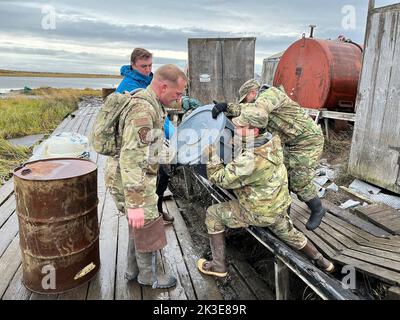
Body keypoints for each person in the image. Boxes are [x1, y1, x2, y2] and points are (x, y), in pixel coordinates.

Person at [197, 111, 334, 278]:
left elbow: (219, 178)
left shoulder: (250, 160)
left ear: (254, 131)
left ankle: (218, 267)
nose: (235, 128)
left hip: (258, 213)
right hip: (278, 206)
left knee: (212, 214)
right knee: (292, 235)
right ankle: (323, 262)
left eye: (240, 127)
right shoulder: (273, 140)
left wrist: (211, 153)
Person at [103, 64, 188, 289]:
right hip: (130, 180)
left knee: (137, 224)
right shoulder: (142, 111)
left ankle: (132, 270)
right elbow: (131, 161)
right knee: (147, 222)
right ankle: (148, 278)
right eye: (178, 93)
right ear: (163, 87)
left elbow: (154, 146)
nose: (179, 99)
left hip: (134, 176)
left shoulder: (152, 103)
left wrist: (181, 152)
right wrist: (135, 204)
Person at [212, 79, 326, 231]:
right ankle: (284, 214)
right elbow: (249, 114)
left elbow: (256, 111)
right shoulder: (257, 104)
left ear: (253, 93)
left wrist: (228, 106)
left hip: (307, 141)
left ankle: (318, 209)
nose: (245, 105)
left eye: (245, 101)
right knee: (282, 175)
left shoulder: (270, 94)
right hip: (290, 142)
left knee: (299, 180)